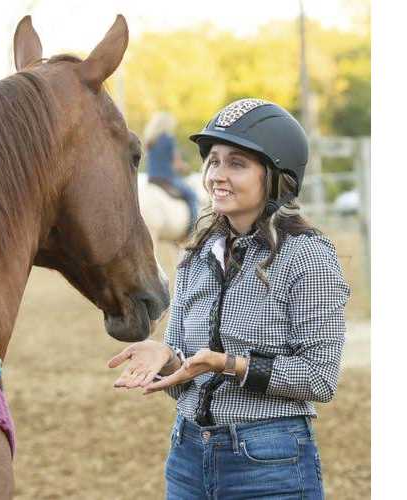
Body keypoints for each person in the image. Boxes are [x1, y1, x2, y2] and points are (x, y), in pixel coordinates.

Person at [108, 98, 350, 499]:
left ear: (276, 177)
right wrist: (165, 358)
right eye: (214, 161)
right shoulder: (195, 254)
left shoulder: (307, 256)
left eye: (236, 164)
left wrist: (228, 364)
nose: (217, 175)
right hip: (187, 457)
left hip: (269, 464)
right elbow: (185, 377)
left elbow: (320, 378)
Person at [144, 112, 199, 235]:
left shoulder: (150, 141)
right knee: (193, 195)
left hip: (152, 179)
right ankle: (193, 231)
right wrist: (186, 168)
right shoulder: (169, 139)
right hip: (167, 179)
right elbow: (177, 164)